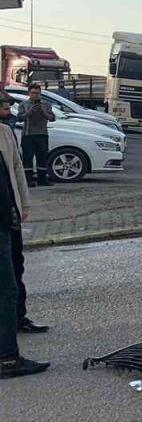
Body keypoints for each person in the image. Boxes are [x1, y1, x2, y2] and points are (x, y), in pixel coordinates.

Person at [0, 97, 42, 379]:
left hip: (8, 217)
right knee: (6, 289)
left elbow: (16, 171)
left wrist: (22, 206)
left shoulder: (5, 133)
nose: (7, 110)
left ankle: (16, 321)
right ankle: (7, 359)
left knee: (15, 273)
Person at [17, 83, 57, 186]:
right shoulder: (23, 104)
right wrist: (30, 111)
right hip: (28, 135)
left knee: (42, 157)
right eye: (33, 93)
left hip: (42, 134)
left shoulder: (46, 104)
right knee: (27, 158)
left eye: (37, 93)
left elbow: (52, 118)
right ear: (29, 93)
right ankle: (28, 180)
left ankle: (42, 179)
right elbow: (20, 118)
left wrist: (43, 111)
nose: (35, 95)